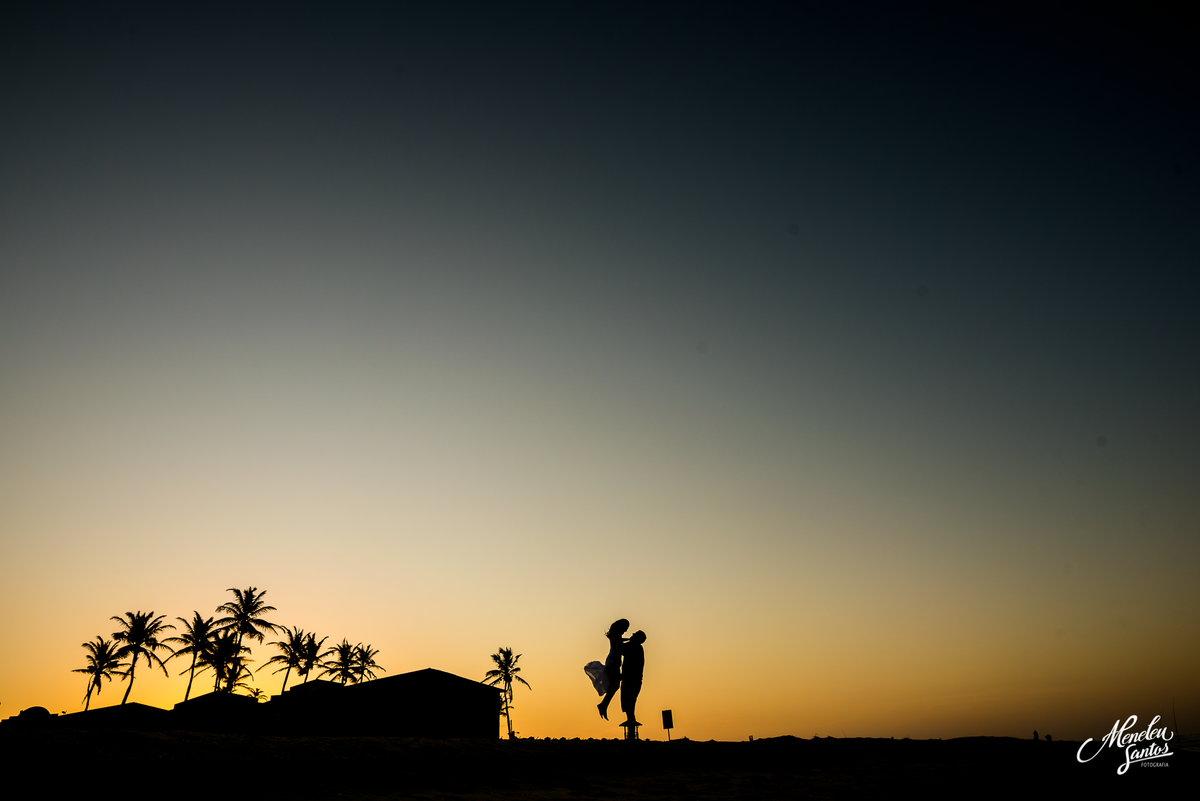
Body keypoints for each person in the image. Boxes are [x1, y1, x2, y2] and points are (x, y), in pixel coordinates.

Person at [596, 618, 629, 720]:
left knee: (615, 686)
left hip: (614, 660)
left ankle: (603, 705)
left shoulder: (617, 634)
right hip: (613, 661)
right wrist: (630, 640)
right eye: (625, 628)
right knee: (614, 685)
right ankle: (603, 705)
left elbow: (619, 643)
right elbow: (617, 643)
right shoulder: (615, 633)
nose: (626, 630)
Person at [620, 630, 646, 727]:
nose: (632, 634)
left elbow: (620, 648)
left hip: (631, 681)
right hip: (633, 680)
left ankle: (631, 730)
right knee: (629, 706)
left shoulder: (634, 647)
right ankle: (631, 728)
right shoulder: (637, 647)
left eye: (634, 635)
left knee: (629, 705)